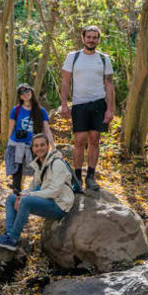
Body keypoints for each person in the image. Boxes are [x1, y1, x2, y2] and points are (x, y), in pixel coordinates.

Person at [0, 134, 74, 251]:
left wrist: (27, 196)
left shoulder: (57, 163)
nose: (39, 148)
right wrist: (20, 195)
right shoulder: (39, 164)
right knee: (11, 198)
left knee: (26, 201)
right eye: (36, 146)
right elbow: (32, 188)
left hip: (59, 205)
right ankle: (9, 235)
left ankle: (13, 239)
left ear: (48, 146)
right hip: (48, 200)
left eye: (42, 145)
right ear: (33, 148)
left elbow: (54, 191)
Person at [60, 26, 114, 192]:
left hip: (98, 103)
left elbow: (109, 85)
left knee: (94, 139)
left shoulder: (104, 59)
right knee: (79, 140)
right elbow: (66, 82)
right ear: (83, 38)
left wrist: (110, 109)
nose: (92, 40)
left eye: (95, 37)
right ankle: (77, 179)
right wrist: (64, 104)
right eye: (89, 37)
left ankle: (90, 176)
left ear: (98, 39)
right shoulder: (73, 57)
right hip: (79, 104)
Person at [5, 83, 55, 194]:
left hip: (33, 146)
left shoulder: (41, 110)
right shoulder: (16, 110)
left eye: (27, 90)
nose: (25, 94)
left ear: (31, 91)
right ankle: (16, 196)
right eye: (21, 92)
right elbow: (11, 129)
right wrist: (8, 145)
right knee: (17, 173)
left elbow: (46, 129)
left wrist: (53, 145)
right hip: (16, 144)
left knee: (38, 172)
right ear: (20, 96)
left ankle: (37, 195)